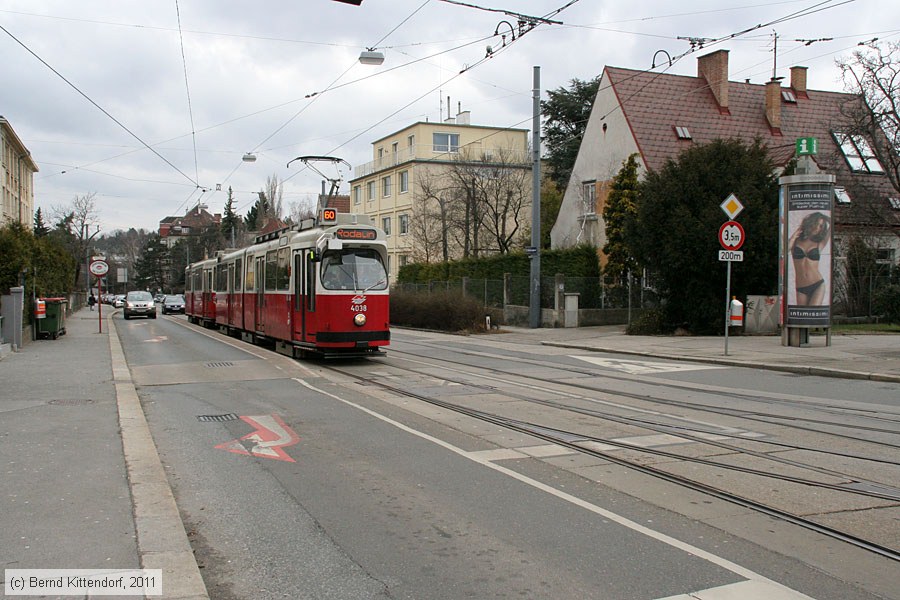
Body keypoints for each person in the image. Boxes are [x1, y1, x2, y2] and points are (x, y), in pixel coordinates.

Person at [789, 212, 830, 306]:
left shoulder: (820, 243)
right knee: (802, 318)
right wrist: (795, 234)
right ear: (811, 223)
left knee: (813, 313)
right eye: (816, 224)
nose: (817, 228)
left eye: (821, 226)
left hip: (817, 285)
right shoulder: (795, 241)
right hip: (800, 287)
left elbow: (831, 226)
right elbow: (784, 249)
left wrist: (825, 217)